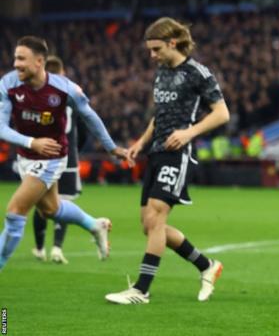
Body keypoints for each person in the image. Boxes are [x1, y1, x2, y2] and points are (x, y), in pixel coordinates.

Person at [105, 17, 230, 305]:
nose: (152, 55)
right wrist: (140, 143)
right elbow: (160, 114)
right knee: (149, 226)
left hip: (178, 154)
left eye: (156, 49)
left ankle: (142, 289)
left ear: (173, 43)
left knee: (157, 219)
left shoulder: (198, 72)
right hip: (156, 153)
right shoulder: (161, 71)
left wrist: (189, 133)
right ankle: (206, 266)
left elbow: (222, 113)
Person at [0, 36, 129, 271]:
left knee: (15, 210)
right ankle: (94, 224)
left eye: (21, 59)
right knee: (51, 210)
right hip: (26, 155)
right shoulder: (8, 84)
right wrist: (32, 142)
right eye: (15, 58)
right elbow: (1, 127)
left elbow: (90, 116)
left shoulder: (65, 89)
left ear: (39, 62)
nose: (15, 63)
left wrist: (112, 147)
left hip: (52, 157)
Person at [31, 55, 85, 264]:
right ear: (61, 73)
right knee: (63, 202)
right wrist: (74, 152)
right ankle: (57, 248)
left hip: (42, 157)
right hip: (67, 159)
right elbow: (83, 130)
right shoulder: (70, 96)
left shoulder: (36, 97)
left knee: (41, 204)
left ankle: (39, 248)